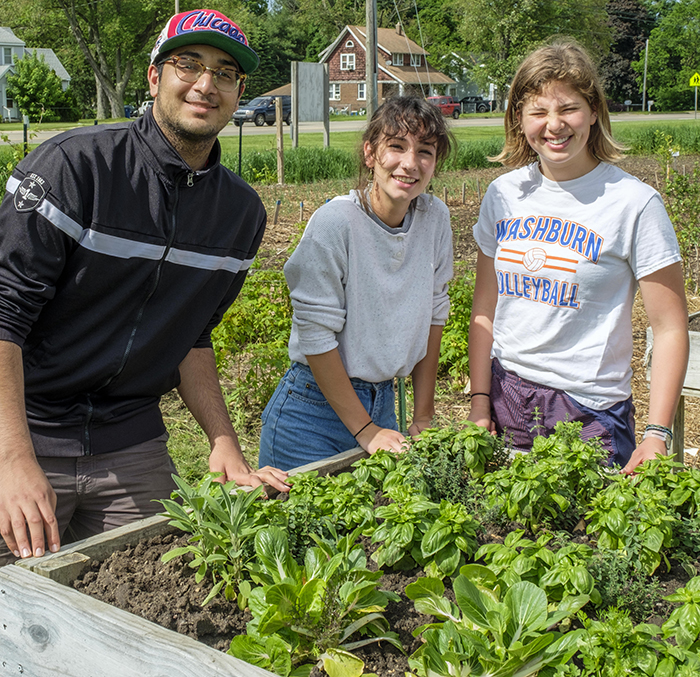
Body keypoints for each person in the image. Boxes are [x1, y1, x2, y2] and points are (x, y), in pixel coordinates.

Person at [0, 8, 290, 567]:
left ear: (238, 93)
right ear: (155, 77)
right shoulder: (75, 168)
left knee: (152, 600)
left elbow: (192, 336)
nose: (206, 84)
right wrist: (12, 460)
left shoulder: (239, 213)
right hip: (27, 430)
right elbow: (3, 315)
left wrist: (223, 441)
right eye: (189, 64)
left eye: (225, 73)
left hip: (130, 442)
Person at [467, 40, 689, 474]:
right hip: (507, 396)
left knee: (586, 539)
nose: (554, 125)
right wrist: (479, 401)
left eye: (568, 108)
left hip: (590, 411)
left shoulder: (635, 204)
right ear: (519, 119)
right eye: (538, 112)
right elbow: (485, 307)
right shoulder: (503, 194)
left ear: (593, 111)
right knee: (507, 535)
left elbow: (669, 328)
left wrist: (656, 432)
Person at [258, 96, 455, 471]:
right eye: (396, 147)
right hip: (312, 412)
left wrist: (424, 414)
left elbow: (434, 312)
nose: (410, 163)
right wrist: (365, 429)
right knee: (307, 526)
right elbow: (316, 336)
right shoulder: (336, 223)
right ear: (370, 153)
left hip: (382, 403)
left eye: (425, 152)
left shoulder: (435, 219)